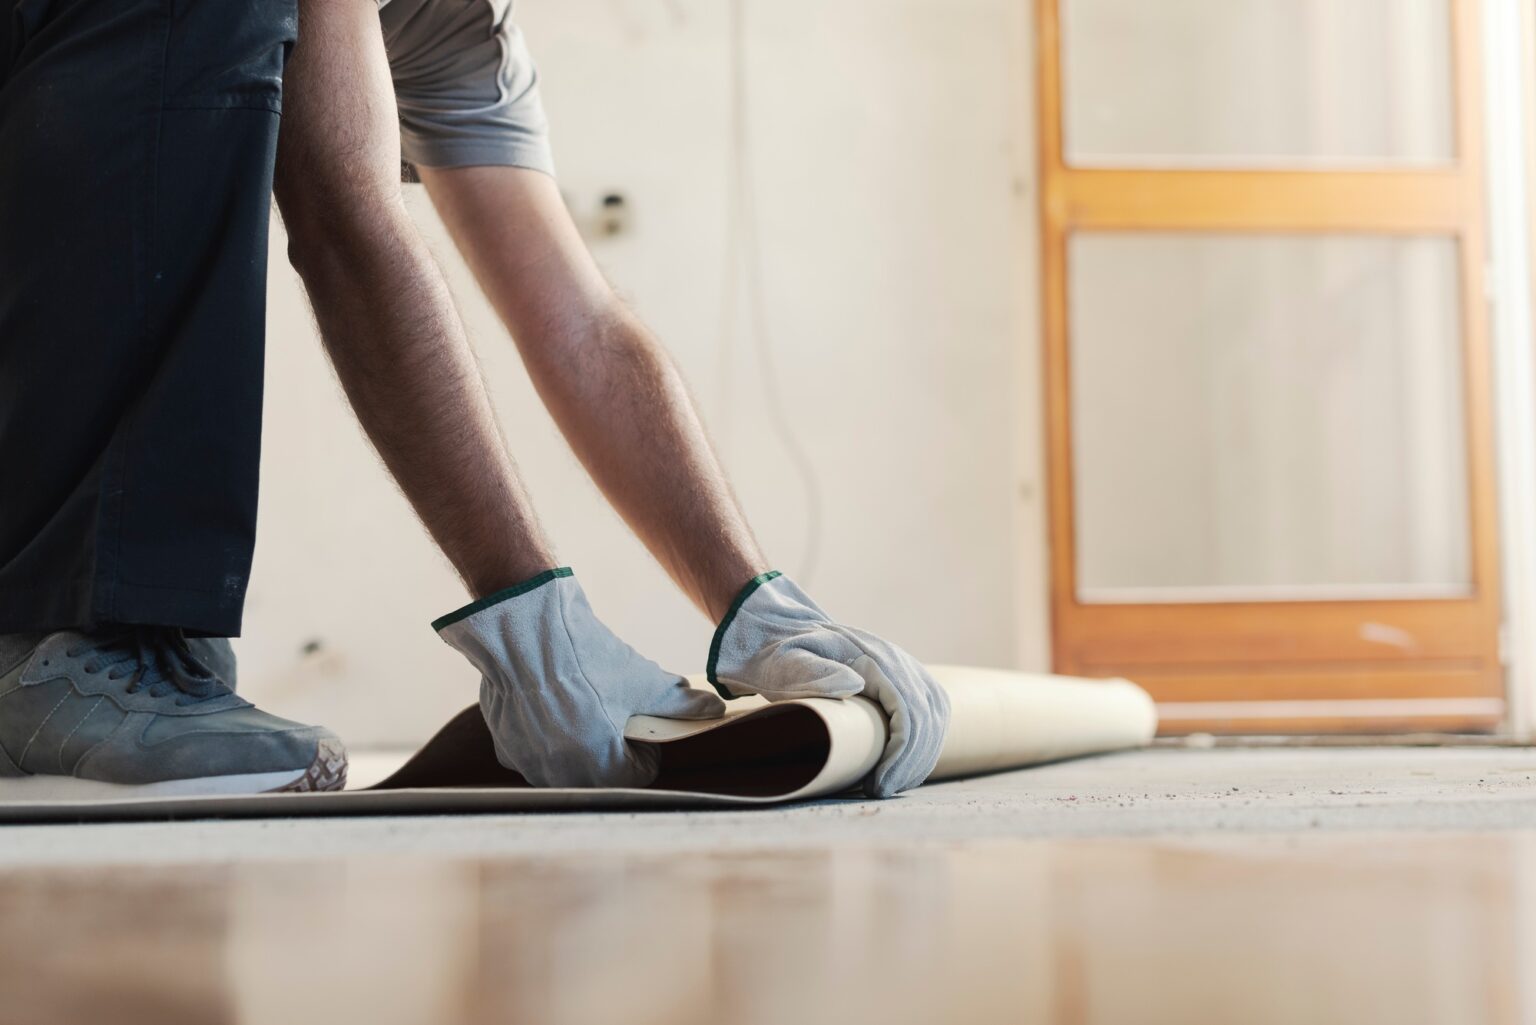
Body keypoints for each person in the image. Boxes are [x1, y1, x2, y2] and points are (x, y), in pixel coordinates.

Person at [0, 0, 949, 799]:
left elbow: (579, 320)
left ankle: (96, 643)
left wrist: (755, 600)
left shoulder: (467, 31)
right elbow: (347, 224)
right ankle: (69, 644)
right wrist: (529, 621)